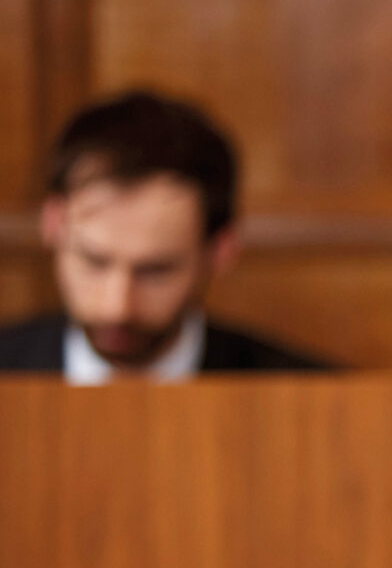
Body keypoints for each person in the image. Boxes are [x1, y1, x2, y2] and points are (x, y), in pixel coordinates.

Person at [0, 89, 329, 381]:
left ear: (220, 250)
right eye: (95, 262)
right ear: (53, 225)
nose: (118, 307)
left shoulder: (310, 396)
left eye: (155, 271)